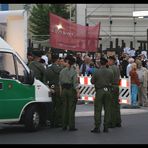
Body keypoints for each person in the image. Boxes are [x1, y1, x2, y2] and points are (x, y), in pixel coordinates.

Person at [90, 57, 114, 133]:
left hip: (99, 90)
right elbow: (112, 81)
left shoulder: (96, 72)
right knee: (108, 109)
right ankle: (106, 127)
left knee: (98, 109)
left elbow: (92, 81)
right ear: (106, 63)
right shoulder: (110, 71)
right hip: (108, 90)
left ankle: (97, 127)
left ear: (100, 63)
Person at [59, 55, 80, 131]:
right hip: (71, 90)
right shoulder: (73, 71)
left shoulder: (62, 71)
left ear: (67, 62)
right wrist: (78, 92)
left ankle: (64, 125)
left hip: (64, 90)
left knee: (64, 108)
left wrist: (61, 92)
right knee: (71, 108)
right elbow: (75, 83)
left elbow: (60, 83)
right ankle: (71, 126)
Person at [45, 54, 63, 128]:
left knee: (52, 105)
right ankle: (58, 121)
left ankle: (51, 121)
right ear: (57, 60)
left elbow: (45, 79)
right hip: (58, 88)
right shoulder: (60, 69)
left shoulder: (47, 69)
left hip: (50, 87)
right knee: (59, 105)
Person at [108, 56, 122, 128]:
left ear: (112, 61)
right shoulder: (117, 68)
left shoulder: (110, 68)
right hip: (116, 86)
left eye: (109, 60)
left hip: (112, 86)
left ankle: (112, 122)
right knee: (116, 105)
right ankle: (118, 121)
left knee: (111, 105)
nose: (108, 62)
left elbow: (109, 78)